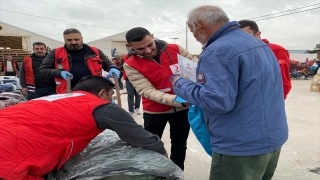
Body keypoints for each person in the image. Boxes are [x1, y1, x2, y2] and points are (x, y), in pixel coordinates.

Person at [171, 5, 288, 180]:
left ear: (198, 25)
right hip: (272, 137)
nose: (194, 37)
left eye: (192, 31)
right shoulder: (258, 44)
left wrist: (180, 83)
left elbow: (216, 102)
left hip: (241, 146)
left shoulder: (217, 50)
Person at [0, 75, 167, 179]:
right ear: (103, 93)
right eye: (111, 96)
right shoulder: (100, 106)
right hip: (8, 164)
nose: (111, 100)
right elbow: (141, 138)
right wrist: (164, 161)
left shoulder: (53, 98)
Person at [123, 27, 198, 170]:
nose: (148, 51)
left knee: (180, 144)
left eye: (150, 44)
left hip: (183, 109)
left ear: (152, 37)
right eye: (140, 49)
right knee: (150, 145)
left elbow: (197, 68)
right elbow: (146, 90)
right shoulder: (130, 64)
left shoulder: (175, 49)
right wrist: (177, 99)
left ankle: (177, 173)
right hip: (155, 111)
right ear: (130, 47)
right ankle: (153, 173)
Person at [39, 28, 120, 93]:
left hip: (94, 91)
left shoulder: (95, 51)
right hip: (68, 92)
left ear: (82, 38)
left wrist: (112, 68)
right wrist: (59, 73)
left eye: (76, 39)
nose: (73, 42)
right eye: (69, 40)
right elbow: (43, 70)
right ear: (64, 40)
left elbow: (107, 64)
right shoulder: (56, 52)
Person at [239, 20, 292, 99]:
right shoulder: (242, 52)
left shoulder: (276, 50)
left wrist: (277, 102)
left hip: (270, 100)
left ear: (258, 34)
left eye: (247, 35)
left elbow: (283, 81)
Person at [119, 44, 141, 116]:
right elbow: (120, 67)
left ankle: (137, 107)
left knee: (138, 94)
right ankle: (131, 110)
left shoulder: (139, 56)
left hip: (138, 79)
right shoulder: (124, 57)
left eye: (131, 46)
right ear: (127, 48)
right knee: (130, 94)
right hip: (128, 79)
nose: (130, 48)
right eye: (128, 47)